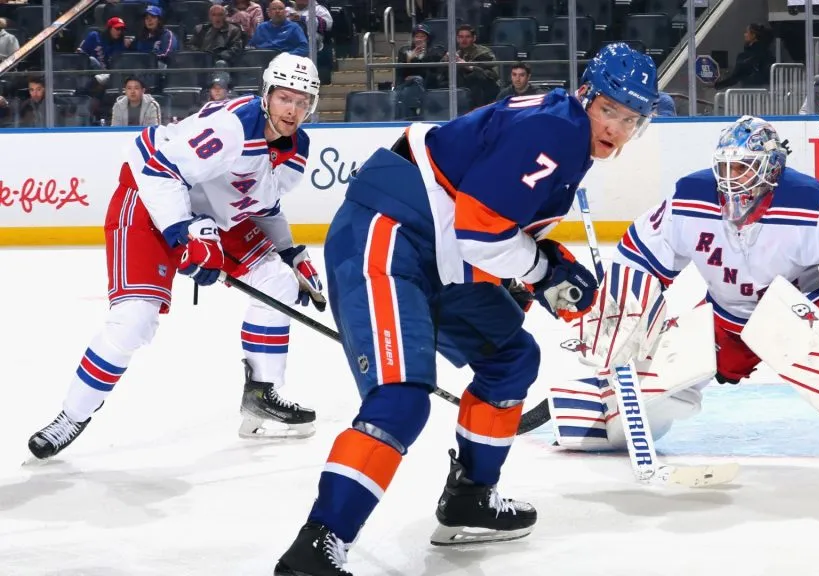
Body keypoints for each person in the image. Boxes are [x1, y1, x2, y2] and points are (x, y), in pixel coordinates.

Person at [272, 43, 659, 576]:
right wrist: (543, 272)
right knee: (400, 400)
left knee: (511, 356)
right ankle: (315, 548)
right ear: (587, 96)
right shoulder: (557, 132)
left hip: (436, 247)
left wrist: (539, 269)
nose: (617, 127)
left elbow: (485, 222)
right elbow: (480, 232)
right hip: (389, 236)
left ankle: (469, 498)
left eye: (631, 118)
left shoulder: (563, 131)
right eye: (610, 109)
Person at [560, 115, 819, 480]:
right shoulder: (690, 196)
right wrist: (620, 311)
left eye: (744, 170)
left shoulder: (815, 205)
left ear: (772, 170)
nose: (731, 182)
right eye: (725, 169)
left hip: (796, 310)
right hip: (725, 317)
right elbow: (639, 258)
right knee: (661, 370)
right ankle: (601, 414)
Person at [26, 54, 327, 460]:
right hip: (150, 198)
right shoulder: (233, 128)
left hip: (212, 211)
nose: (292, 109)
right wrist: (183, 233)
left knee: (278, 281)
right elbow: (160, 170)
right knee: (134, 319)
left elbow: (263, 205)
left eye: (302, 101)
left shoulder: (297, 150)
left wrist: (291, 252)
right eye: (284, 98)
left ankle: (261, 394)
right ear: (267, 95)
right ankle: (72, 415)